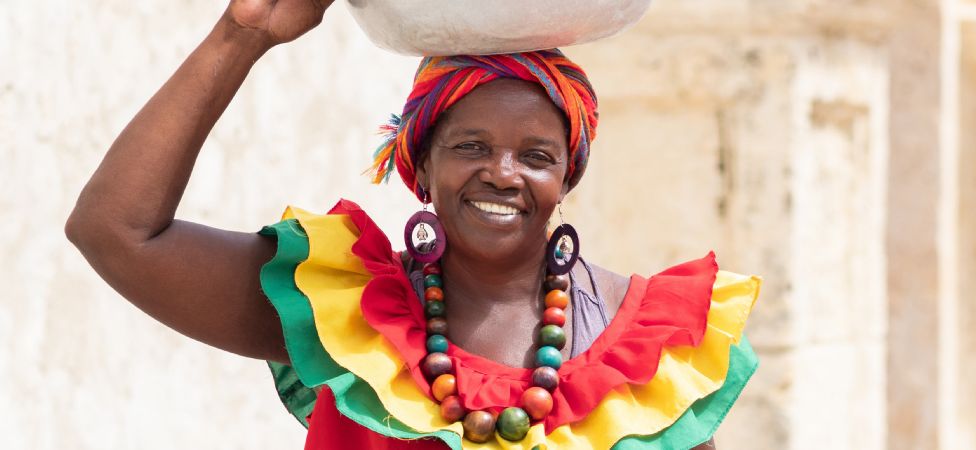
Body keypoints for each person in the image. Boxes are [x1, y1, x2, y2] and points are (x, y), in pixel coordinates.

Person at [64, 1, 760, 449]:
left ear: (567, 178)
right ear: (419, 168)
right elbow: (115, 231)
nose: (503, 173)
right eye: (470, 147)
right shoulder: (341, 315)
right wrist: (240, 36)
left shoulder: (645, 354)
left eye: (537, 156)